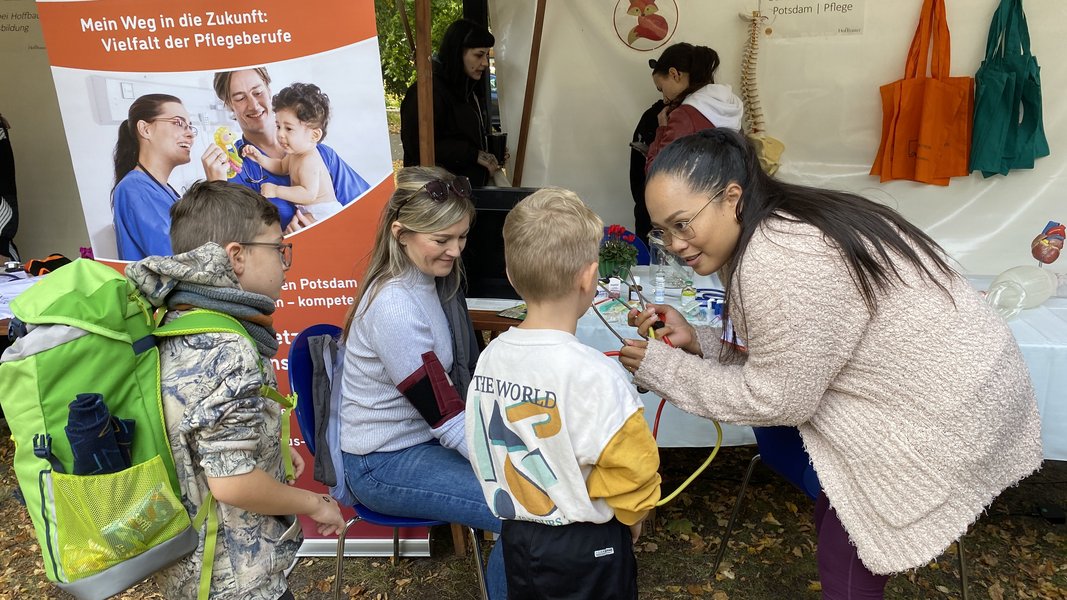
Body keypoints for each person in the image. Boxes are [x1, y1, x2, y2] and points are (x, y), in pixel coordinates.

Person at [619, 128, 1043, 599]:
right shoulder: (777, 224)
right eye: (662, 230)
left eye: (683, 223)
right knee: (832, 504)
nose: (675, 243)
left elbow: (776, 398)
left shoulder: (781, 257)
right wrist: (697, 341)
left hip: (946, 413)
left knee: (850, 546)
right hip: (944, 391)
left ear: (732, 198)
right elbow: (796, 352)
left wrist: (666, 369)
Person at [126, 180, 346, 599]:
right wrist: (314, 504)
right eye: (278, 249)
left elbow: (199, 433)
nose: (285, 263)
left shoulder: (180, 319)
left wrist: (266, 444)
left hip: (193, 566)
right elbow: (233, 483)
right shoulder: (228, 349)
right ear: (237, 255)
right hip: (236, 576)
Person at [466, 188, 661, 600]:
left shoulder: (490, 358)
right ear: (589, 278)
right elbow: (633, 466)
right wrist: (634, 514)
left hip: (518, 537)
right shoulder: (597, 375)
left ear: (511, 273)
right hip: (588, 547)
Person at [338, 166, 506, 599]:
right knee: (518, 510)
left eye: (462, 236)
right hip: (380, 463)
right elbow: (447, 418)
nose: (456, 250)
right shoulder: (394, 306)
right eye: (442, 239)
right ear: (401, 233)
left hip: (416, 445)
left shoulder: (429, 282)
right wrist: (510, 465)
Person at [202, 68, 370, 232]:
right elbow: (231, 244)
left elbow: (368, 212)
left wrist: (326, 229)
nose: (253, 105)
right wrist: (216, 187)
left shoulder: (323, 156)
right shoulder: (232, 170)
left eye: (258, 92)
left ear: (268, 89)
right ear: (229, 105)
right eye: (240, 98)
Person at [400, 18, 501, 187]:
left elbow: (462, 133)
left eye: (486, 55)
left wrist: (487, 149)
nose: (484, 63)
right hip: (439, 198)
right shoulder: (426, 93)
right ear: (457, 53)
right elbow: (419, 145)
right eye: (478, 55)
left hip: (465, 193)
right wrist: (472, 154)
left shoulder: (467, 90)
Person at [242, 83, 343, 220]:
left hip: (323, 213)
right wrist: (260, 158)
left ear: (314, 136)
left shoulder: (309, 161)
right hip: (308, 210)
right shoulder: (294, 154)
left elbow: (308, 194)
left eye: (288, 129)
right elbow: (281, 167)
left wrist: (276, 191)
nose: (280, 134)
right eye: (278, 126)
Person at [111, 94, 195, 261]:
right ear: (145, 129)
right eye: (178, 123)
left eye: (190, 126)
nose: (190, 134)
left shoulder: (161, 189)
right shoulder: (134, 189)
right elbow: (179, 261)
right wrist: (217, 189)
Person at [645, 42, 743, 173]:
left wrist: (662, 128)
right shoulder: (731, 105)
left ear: (674, 74)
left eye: (661, 88)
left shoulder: (685, 115)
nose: (664, 98)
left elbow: (658, 172)